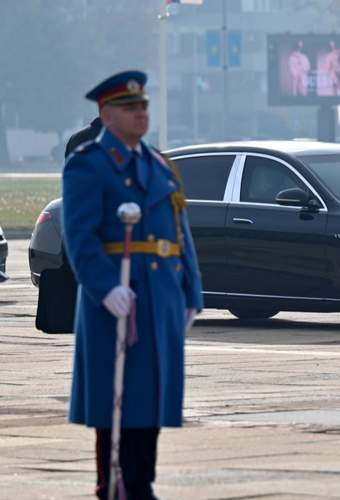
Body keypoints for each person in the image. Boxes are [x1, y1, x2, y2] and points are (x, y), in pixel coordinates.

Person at [62, 70, 203, 498]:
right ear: (107, 115)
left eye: (143, 105)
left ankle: (143, 483)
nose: (141, 113)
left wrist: (191, 293)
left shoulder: (158, 164)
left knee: (152, 396)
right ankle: (116, 486)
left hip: (159, 297)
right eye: (130, 107)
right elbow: (79, 238)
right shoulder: (89, 164)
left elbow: (181, 235)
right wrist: (105, 286)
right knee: (116, 399)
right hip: (118, 299)